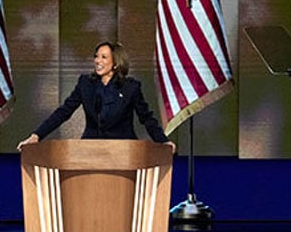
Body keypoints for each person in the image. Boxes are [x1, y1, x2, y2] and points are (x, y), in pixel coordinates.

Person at [17, 41, 174, 150]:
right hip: (90, 149)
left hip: (124, 151)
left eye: (103, 57)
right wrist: (36, 136)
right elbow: (63, 112)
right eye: (96, 56)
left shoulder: (130, 87)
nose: (98, 61)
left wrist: (163, 141)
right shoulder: (86, 83)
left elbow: (147, 118)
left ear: (116, 63)